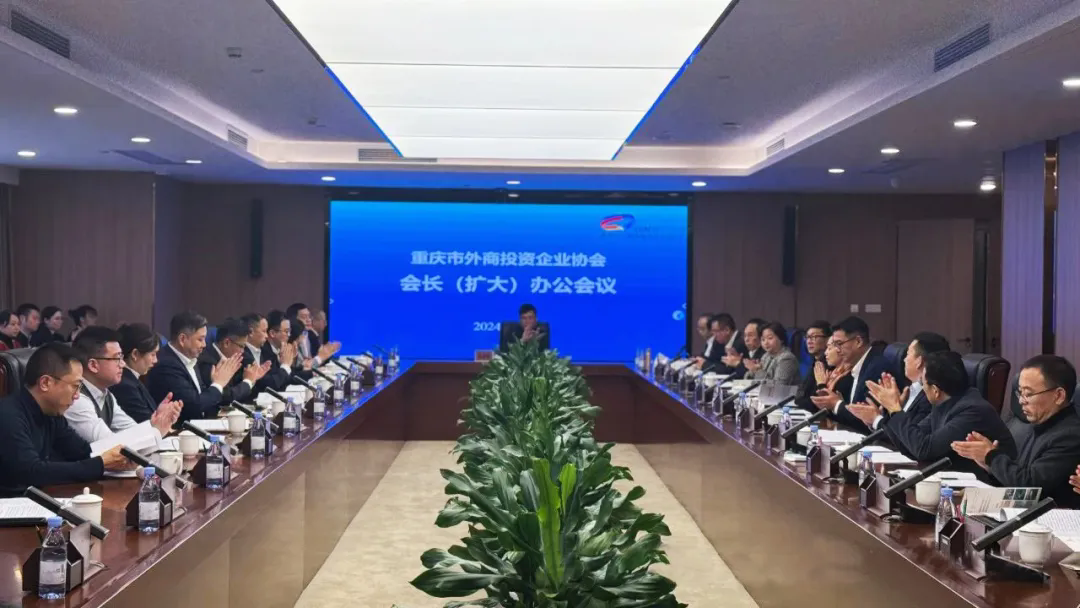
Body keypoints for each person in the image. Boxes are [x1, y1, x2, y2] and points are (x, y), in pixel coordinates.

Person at [0, 343, 132, 497]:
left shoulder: (52, 413)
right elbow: (32, 471)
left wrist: (118, 458)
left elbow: (82, 452)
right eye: (75, 386)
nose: (77, 396)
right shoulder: (8, 415)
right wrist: (100, 463)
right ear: (45, 383)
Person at [860, 351, 1016, 479]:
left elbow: (924, 449)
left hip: (984, 489)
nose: (922, 388)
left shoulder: (973, 410)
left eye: (923, 383)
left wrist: (895, 409)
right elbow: (912, 442)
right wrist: (892, 410)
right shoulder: (944, 403)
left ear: (935, 390)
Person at [953, 355, 1080, 508]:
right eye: (1020, 393)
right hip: (1022, 511)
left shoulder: (1070, 435)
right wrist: (990, 466)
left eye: (1029, 394)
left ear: (1058, 396)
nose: (1021, 401)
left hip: (1050, 518)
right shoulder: (1039, 425)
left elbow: (1030, 487)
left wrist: (991, 456)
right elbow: (1018, 478)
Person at [66, 326, 181, 443]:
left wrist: (157, 423)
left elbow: (132, 430)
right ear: (93, 365)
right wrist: (154, 430)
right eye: (117, 358)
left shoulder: (106, 395)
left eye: (121, 357)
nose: (122, 364)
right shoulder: (76, 399)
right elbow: (108, 444)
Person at [845, 332, 951, 438]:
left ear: (919, 361)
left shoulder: (930, 398)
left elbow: (910, 439)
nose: (904, 360)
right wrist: (881, 416)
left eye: (908, 354)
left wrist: (877, 419)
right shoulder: (907, 389)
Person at [147, 311, 242, 424]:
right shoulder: (166, 365)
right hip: (179, 430)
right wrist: (218, 384)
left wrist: (214, 383)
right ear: (182, 339)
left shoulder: (191, 358)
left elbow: (201, 398)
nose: (204, 345)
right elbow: (194, 406)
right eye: (200, 339)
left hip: (198, 425)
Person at [809, 316, 890, 433]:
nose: (837, 350)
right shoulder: (861, 364)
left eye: (839, 343)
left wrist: (836, 404)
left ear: (858, 341)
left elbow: (863, 420)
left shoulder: (876, 368)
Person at [197, 318, 270, 405]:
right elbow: (226, 397)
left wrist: (253, 378)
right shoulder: (207, 362)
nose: (243, 351)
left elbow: (242, 394)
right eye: (241, 346)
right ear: (226, 343)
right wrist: (248, 381)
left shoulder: (236, 359)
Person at [113, 323, 175, 423]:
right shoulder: (125, 386)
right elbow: (146, 423)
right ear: (135, 354)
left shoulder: (133, 379)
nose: (155, 360)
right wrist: (161, 418)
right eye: (153, 354)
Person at [796, 327, 854, 413]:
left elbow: (823, 408)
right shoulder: (832, 372)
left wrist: (821, 385)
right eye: (807, 337)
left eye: (829, 348)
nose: (826, 352)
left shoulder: (848, 376)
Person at [242, 312, 292, 393]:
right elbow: (270, 385)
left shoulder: (264, 351)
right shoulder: (243, 354)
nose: (266, 336)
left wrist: (283, 362)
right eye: (264, 331)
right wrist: (285, 365)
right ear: (251, 332)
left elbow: (282, 383)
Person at [263, 310, 301, 388]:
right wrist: (285, 364)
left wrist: (290, 361)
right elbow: (273, 384)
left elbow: (290, 379)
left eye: (290, 331)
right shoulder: (264, 352)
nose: (289, 335)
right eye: (286, 331)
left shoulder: (279, 350)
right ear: (272, 333)